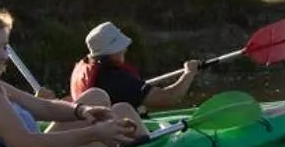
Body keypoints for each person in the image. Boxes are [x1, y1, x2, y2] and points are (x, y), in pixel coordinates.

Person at [0, 10, 138, 147]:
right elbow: (27, 146)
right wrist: (93, 133)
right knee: (123, 113)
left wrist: (81, 110)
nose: (4, 56)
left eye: (5, 47)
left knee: (97, 96)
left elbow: (41, 106)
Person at [69, 21, 201, 110]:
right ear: (111, 51)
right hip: (109, 136)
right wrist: (189, 73)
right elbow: (169, 98)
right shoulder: (115, 78)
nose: (125, 50)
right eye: (120, 47)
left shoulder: (87, 67)